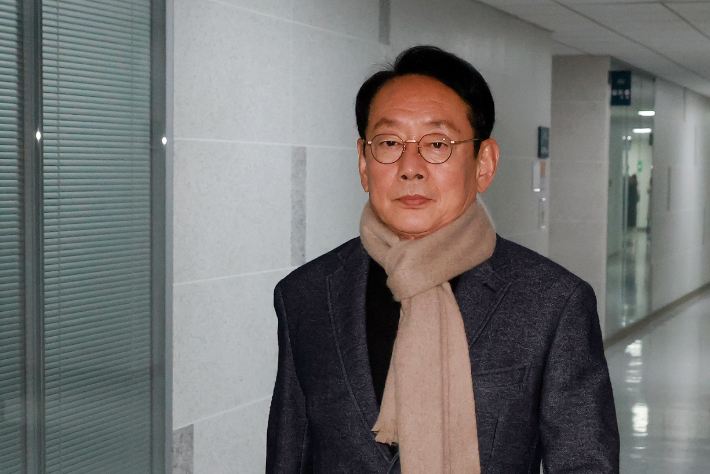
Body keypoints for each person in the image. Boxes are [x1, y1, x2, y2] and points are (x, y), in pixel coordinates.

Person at [266, 46, 619, 474]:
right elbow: (289, 457)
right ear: (363, 162)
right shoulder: (306, 296)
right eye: (389, 143)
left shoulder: (551, 303)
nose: (410, 167)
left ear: (484, 163)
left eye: (437, 144)